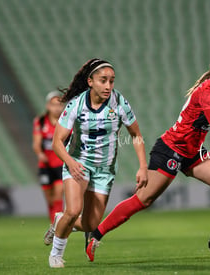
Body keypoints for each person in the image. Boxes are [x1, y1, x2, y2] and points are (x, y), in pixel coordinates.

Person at [85, 56, 210, 261]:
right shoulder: (209, 92)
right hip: (171, 149)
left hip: (193, 150)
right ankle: (96, 235)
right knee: (144, 200)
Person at [47, 58, 148, 268]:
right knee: (74, 210)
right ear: (90, 81)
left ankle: (60, 220)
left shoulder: (119, 102)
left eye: (112, 81)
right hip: (78, 163)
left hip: (105, 170)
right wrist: (70, 162)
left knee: (91, 224)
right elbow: (57, 142)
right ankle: (56, 254)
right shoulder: (76, 105)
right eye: (103, 80)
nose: (108, 86)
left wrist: (143, 166)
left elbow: (136, 135)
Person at [33, 91, 66, 226]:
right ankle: (54, 222)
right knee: (50, 199)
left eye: (59, 104)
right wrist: (40, 153)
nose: (57, 108)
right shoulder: (40, 122)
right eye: (53, 105)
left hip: (60, 164)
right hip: (45, 166)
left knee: (58, 194)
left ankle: (57, 226)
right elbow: (36, 143)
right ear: (48, 106)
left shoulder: (66, 122)